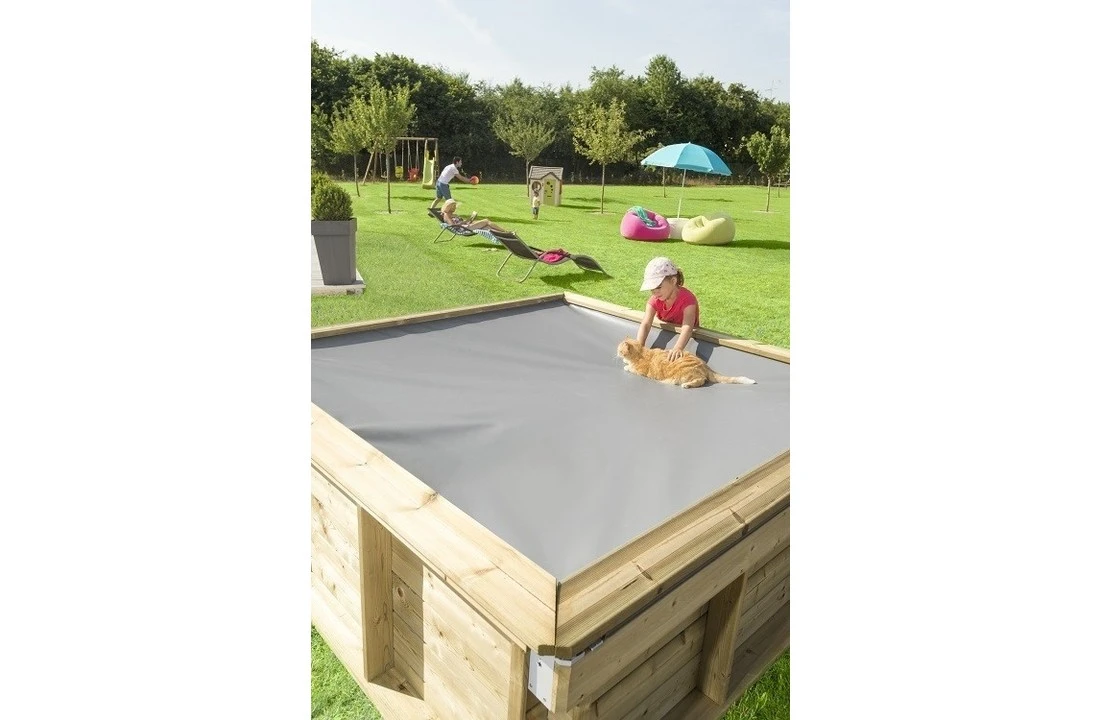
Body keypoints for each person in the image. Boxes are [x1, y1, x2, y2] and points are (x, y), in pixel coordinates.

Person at [636, 256, 700, 361]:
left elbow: (687, 327)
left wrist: (678, 348)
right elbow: (646, 324)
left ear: (673, 281)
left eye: (658, 287)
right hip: (668, 330)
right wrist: (639, 346)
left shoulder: (688, 300)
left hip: (687, 337)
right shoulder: (655, 300)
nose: (655, 292)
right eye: (652, 289)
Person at [440, 199, 511, 235]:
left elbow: (460, 222)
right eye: (453, 206)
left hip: (466, 226)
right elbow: (453, 225)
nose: (455, 207)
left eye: (455, 206)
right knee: (486, 221)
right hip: (463, 229)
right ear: (449, 207)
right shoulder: (446, 215)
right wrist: (465, 222)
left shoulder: (453, 214)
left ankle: (504, 234)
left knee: (487, 228)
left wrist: (469, 220)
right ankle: (505, 231)